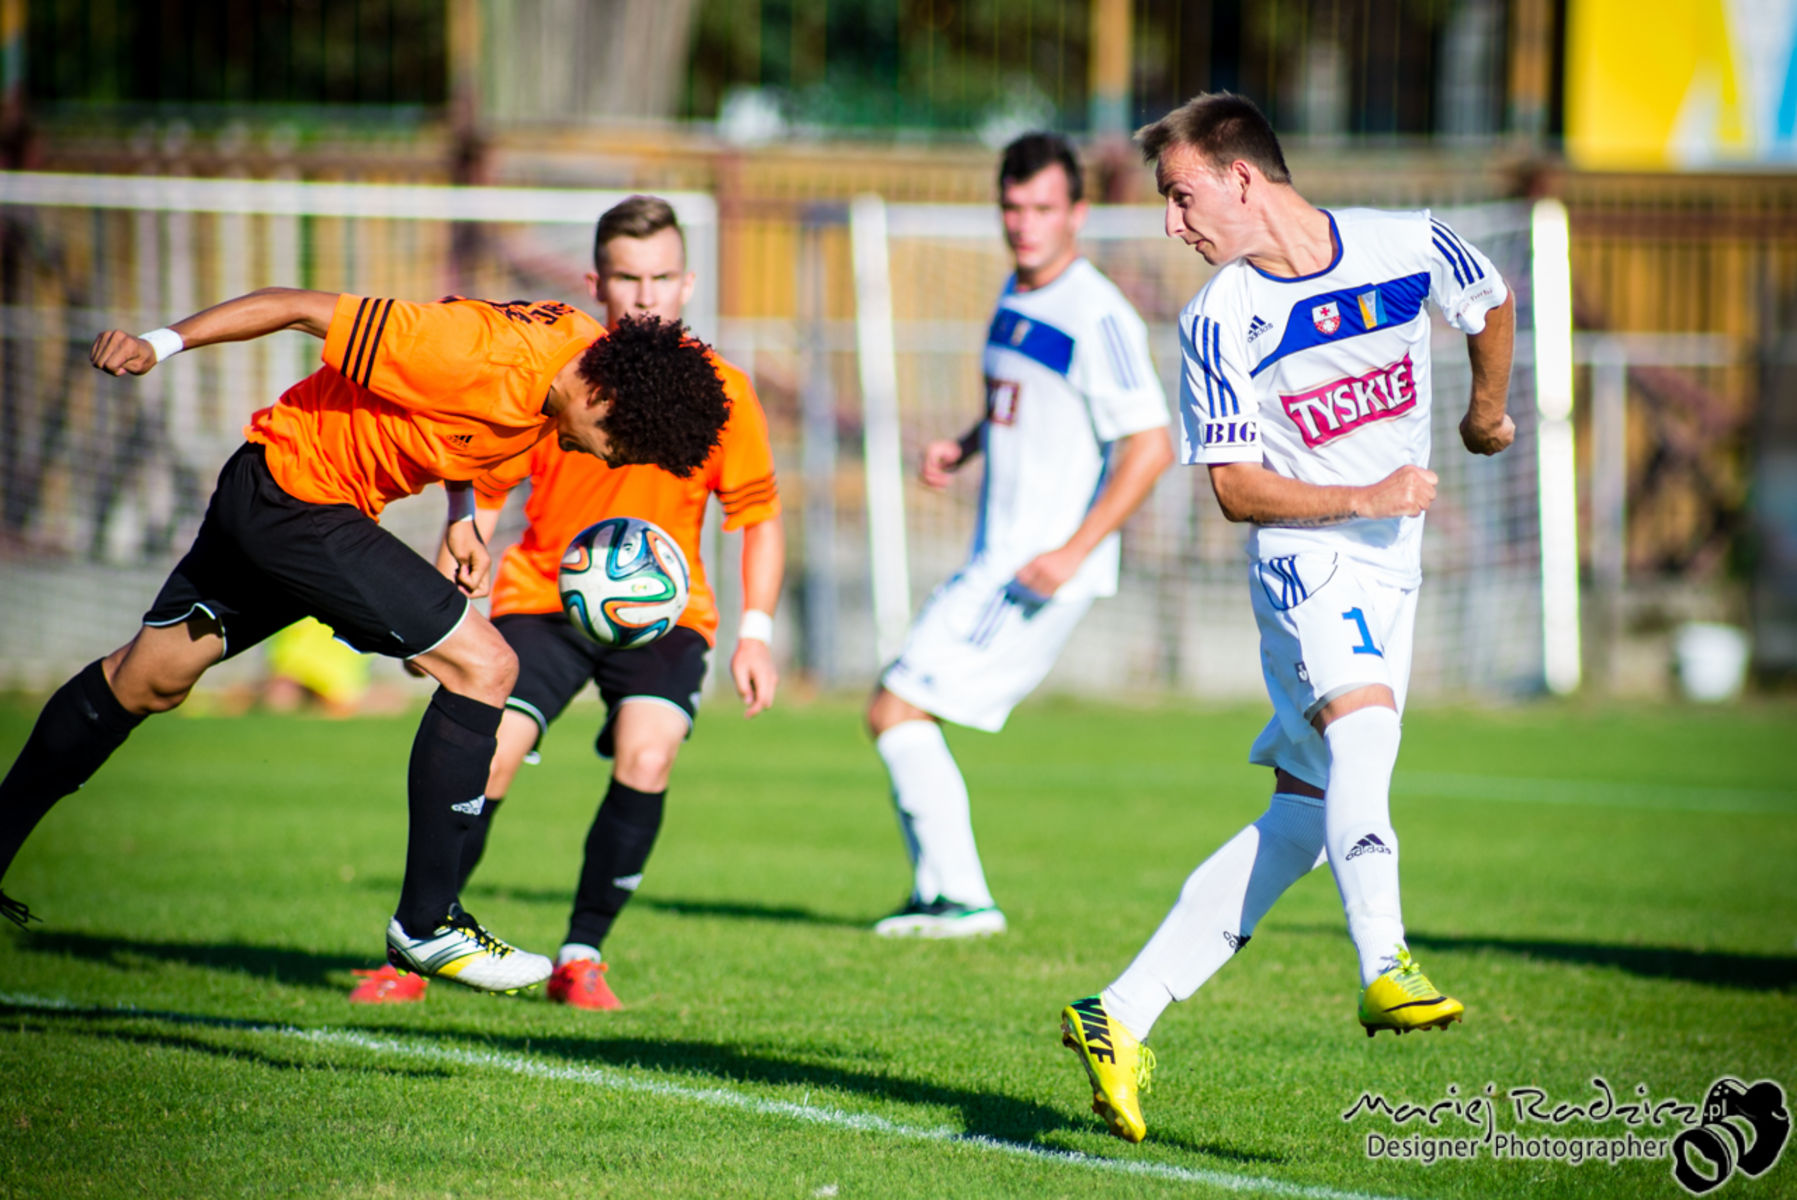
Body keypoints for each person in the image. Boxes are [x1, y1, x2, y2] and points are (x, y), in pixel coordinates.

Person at [0, 286, 730, 999]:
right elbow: (296, 305)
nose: (605, 461)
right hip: (299, 502)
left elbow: (457, 419)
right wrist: (160, 342)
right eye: (617, 446)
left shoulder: (571, 352)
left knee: (145, 681)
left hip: (278, 489)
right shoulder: (481, 355)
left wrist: (460, 510)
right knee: (485, 666)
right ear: (602, 399)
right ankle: (427, 923)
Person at [1059, 92, 1515, 1142]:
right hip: (1305, 561)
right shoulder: (1220, 318)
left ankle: (1116, 1013)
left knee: (1307, 815)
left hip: (1390, 562)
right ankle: (1386, 964)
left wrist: (1483, 412)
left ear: (1241, 176)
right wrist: (1367, 496)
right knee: (1368, 732)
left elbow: (1486, 298)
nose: (1174, 224)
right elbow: (1233, 487)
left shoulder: (1405, 245)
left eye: (1180, 198)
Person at [348, 196, 783, 1008]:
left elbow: (756, 516)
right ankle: (416, 943)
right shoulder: (560, 375)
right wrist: (461, 536)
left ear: (687, 283)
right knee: (493, 751)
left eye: (660, 277)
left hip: (667, 613)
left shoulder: (724, 390)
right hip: (544, 594)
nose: (644, 295)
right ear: (595, 281)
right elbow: (479, 477)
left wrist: (755, 632)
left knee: (648, 753)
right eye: (627, 277)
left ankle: (581, 956)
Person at [865, 132, 1174, 939]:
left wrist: (1071, 551)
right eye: (1012, 207)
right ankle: (942, 896)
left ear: (1076, 212)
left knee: (896, 708)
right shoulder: (1017, 291)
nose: (1024, 224)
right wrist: (964, 445)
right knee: (897, 709)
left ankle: (963, 899)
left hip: (1034, 567)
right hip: (998, 554)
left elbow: (1150, 444)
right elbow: (1026, 403)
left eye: (1042, 208)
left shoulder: (1096, 311)